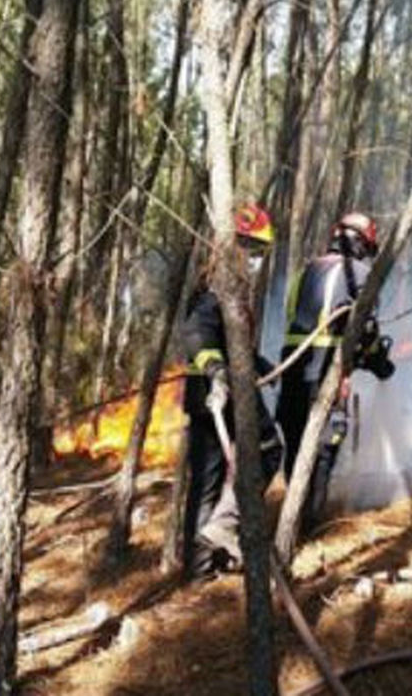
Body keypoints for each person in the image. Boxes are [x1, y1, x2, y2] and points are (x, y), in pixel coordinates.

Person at [179, 202, 284, 579]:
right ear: (235, 245)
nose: (257, 259)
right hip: (221, 394)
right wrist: (216, 370)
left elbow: (232, 339)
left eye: (262, 252)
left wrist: (262, 366)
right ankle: (220, 530)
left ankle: (200, 569)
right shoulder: (218, 288)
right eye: (253, 249)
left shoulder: (225, 284)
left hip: (209, 395)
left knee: (208, 481)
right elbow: (196, 332)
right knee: (269, 450)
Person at [277, 212, 395, 534]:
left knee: (296, 441)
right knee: (325, 448)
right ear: (359, 243)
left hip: (293, 371)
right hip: (324, 372)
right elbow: (365, 331)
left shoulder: (306, 271)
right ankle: (309, 527)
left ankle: (292, 516)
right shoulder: (358, 274)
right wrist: (378, 362)